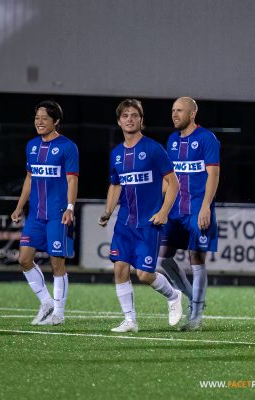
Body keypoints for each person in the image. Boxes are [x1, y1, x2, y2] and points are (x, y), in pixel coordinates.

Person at [98, 99, 182, 333]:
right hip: (124, 222)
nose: (130, 119)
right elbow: (115, 185)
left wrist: (164, 212)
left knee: (144, 274)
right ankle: (130, 321)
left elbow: (173, 183)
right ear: (119, 121)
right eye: (125, 116)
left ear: (141, 120)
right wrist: (108, 211)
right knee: (120, 268)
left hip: (148, 222)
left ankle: (173, 295)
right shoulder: (116, 154)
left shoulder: (153, 149)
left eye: (134, 115)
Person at [11, 100, 78, 326]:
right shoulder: (32, 146)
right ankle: (46, 302)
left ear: (56, 121)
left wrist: (70, 208)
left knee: (57, 263)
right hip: (36, 215)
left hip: (58, 214)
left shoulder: (68, 147)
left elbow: (71, 180)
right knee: (24, 259)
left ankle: (59, 312)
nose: (39, 122)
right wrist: (19, 207)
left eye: (44, 118)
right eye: (37, 118)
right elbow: (29, 179)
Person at [157, 97, 220, 331]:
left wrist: (206, 207)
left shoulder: (206, 139)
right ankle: (191, 297)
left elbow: (213, 175)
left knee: (197, 258)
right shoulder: (172, 140)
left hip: (197, 209)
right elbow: (169, 179)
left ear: (192, 114)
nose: (174, 114)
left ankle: (196, 315)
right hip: (174, 210)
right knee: (162, 257)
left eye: (179, 111)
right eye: (173, 110)